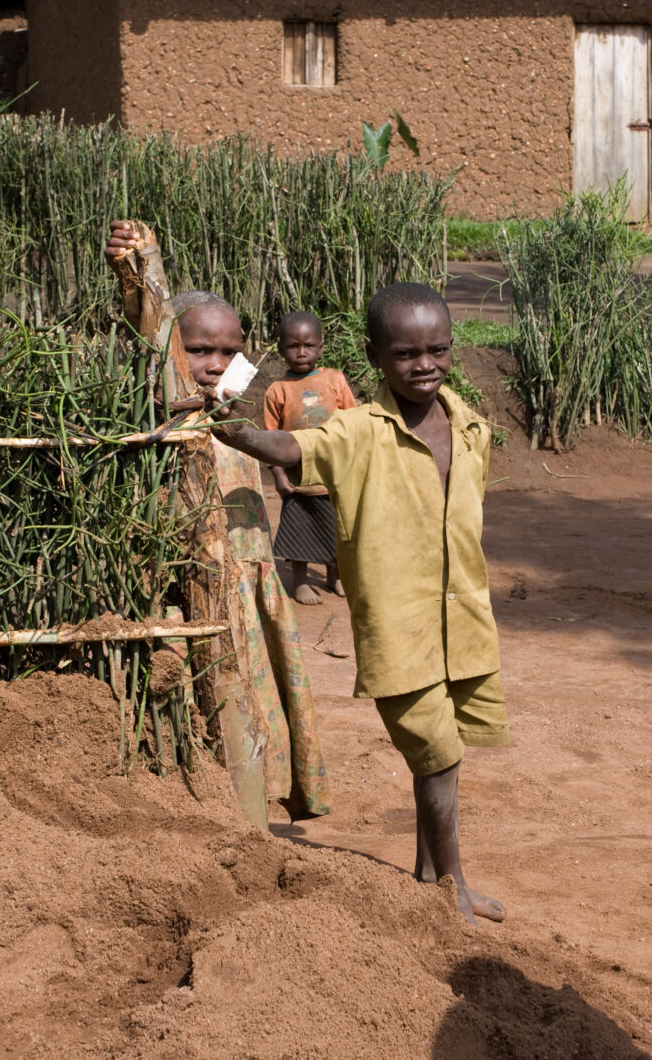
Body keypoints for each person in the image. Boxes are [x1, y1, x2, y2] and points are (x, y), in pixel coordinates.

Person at [208, 281, 509, 926]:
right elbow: (294, 447)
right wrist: (228, 429)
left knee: (447, 747)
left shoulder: (471, 427)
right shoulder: (357, 432)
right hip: (400, 627)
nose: (424, 365)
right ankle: (451, 887)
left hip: (462, 619)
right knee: (438, 752)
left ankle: (432, 877)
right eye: (405, 354)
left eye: (437, 350)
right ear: (375, 357)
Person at [105, 222, 330, 821]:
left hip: (247, 564)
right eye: (199, 349)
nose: (215, 363)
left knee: (256, 691)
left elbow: (245, 410)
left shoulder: (239, 387)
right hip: (188, 578)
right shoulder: (146, 397)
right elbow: (146, 338)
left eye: (228, 349)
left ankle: (267, 802)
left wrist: (213, 396)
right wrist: (135, 276)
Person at [264, 310, 356, 606]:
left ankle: (337, 575)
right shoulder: (277, 391)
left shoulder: (334, 380)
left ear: (321, 347)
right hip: (299, 478)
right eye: (293, 346)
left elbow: (353, 422)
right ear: (280, 350)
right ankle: (301, 581)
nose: (301, 352)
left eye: (308, 345)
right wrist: (279, 475)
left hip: (336, 472)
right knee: (300, 531)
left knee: (341, 530)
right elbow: (270, 439)